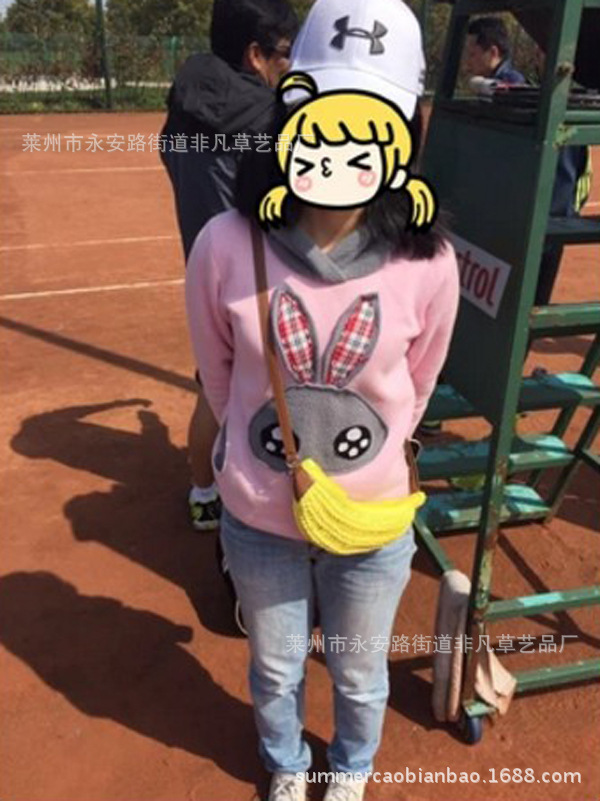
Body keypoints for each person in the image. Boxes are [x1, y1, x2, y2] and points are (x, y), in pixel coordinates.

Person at [185, 2, 460, 798]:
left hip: (372, 522)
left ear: (407, 132)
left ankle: (351, 770)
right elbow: (217, 373)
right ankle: (286, 763)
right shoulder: (226, 244)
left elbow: (419, 383)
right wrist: (258, 467)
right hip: (259, 515)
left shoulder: (429, 261)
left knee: (358, 666)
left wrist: (362, 469)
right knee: (275, 663)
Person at [161, 0, 298, 530]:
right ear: (255, 54)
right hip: (259, 276)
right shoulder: (265, 117)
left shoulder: (184, 103)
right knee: (266, 392)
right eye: (284, 53)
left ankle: (204, 494)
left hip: (204, 265)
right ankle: (257, 496)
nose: (289, 65)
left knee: (212, 385)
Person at [465, 16, 591, 306]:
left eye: (472, 53)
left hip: (544, 222)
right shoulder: (530, 92)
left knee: (526, 301)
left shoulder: (520, 89)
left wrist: (548, 224)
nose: (467, 61)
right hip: (524, 217)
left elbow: (565, 182)